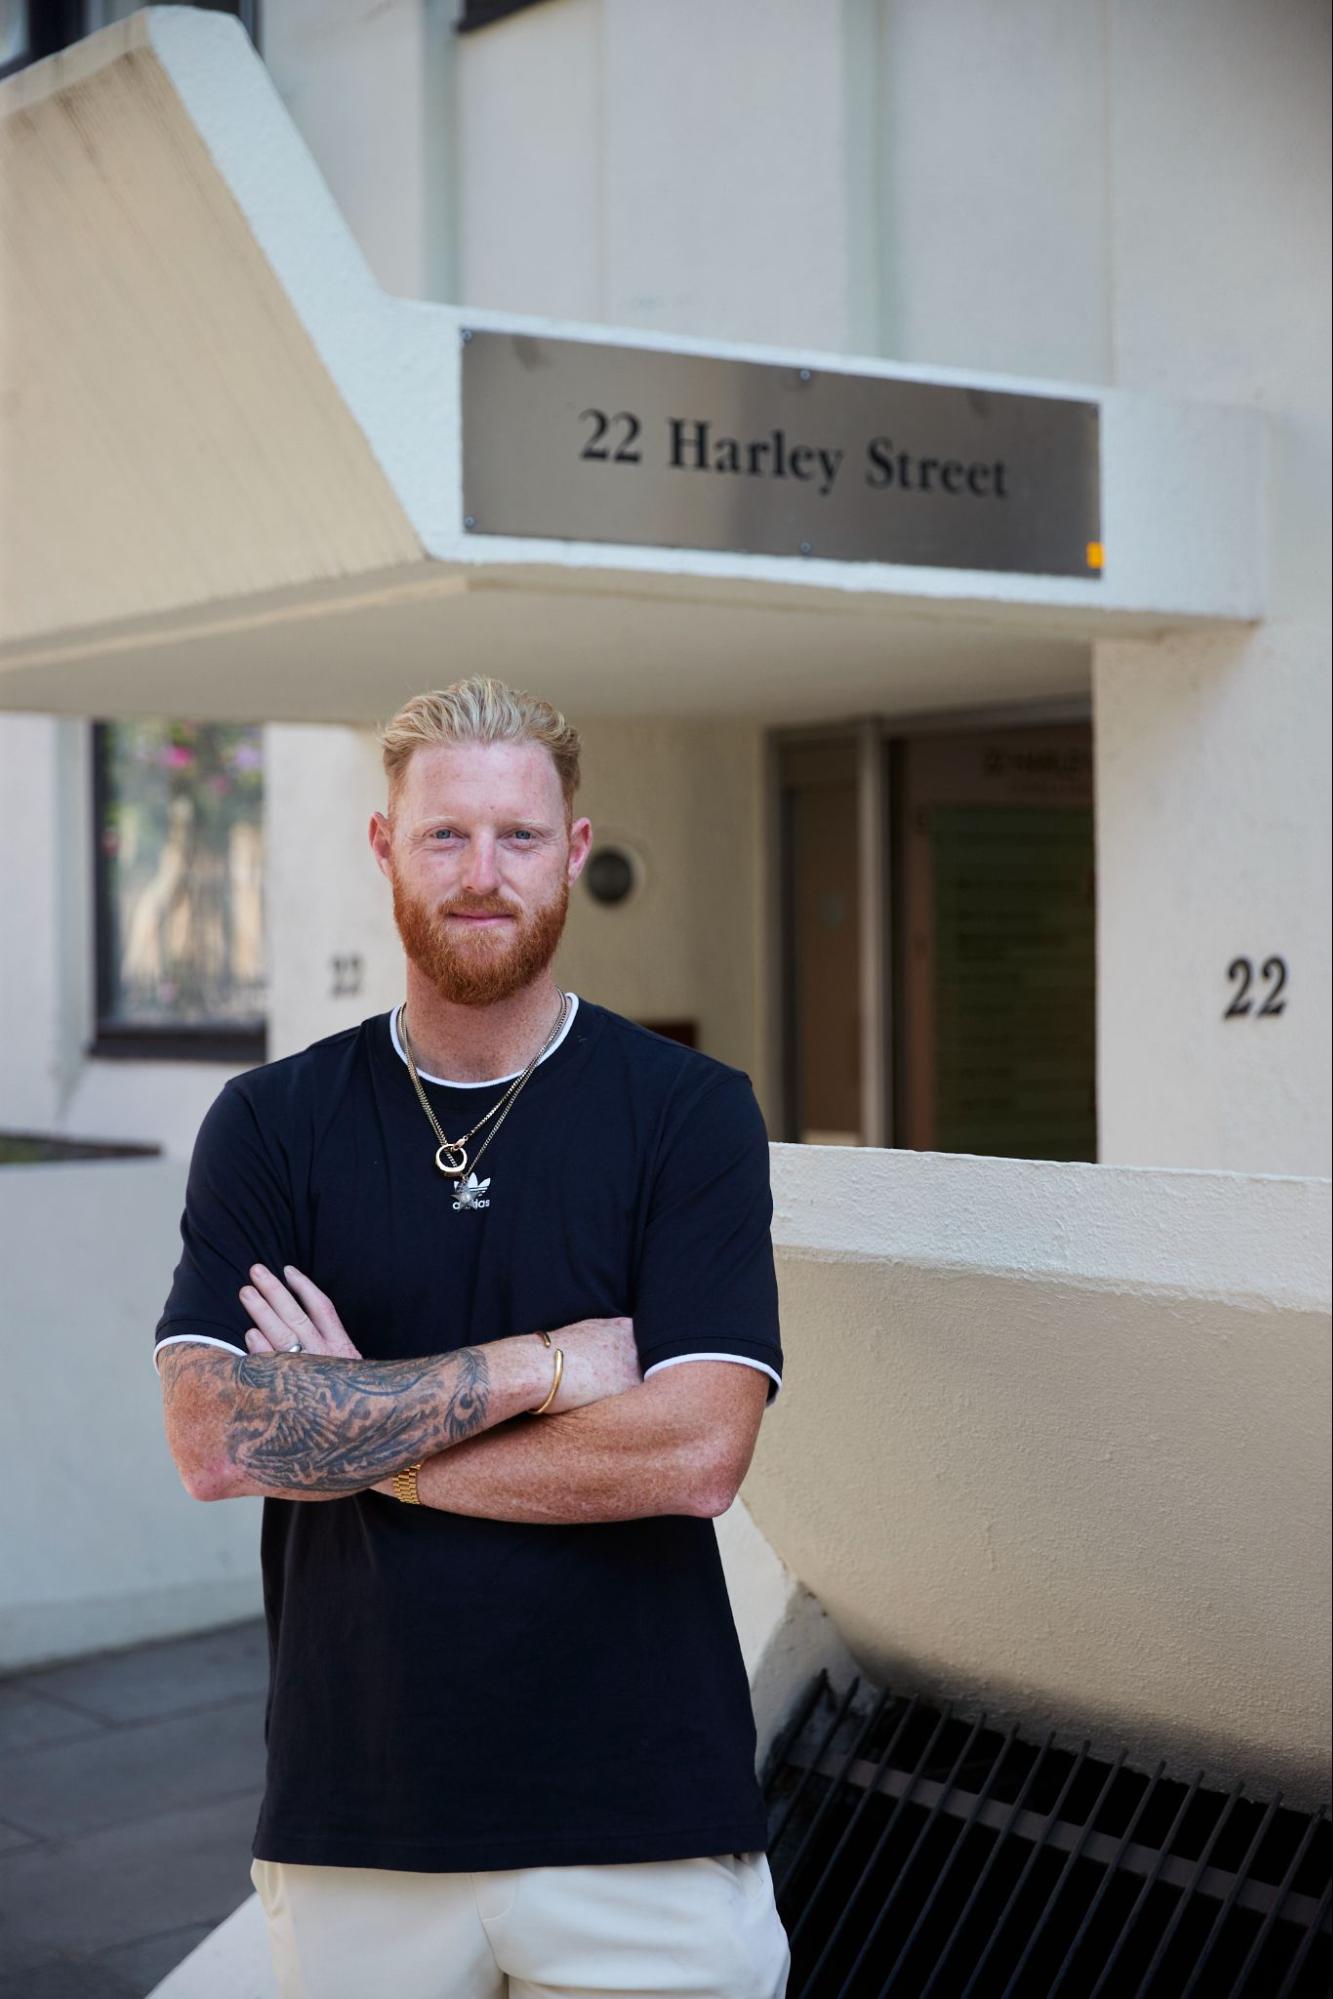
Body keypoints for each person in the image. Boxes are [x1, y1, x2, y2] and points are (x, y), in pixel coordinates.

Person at [154, 676, 791, 1999]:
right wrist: (538, 1368)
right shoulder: (273, 1123)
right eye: (445, 835)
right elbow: (218, 1439)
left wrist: (351, 1434)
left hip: (645, 1830)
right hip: (360, 1820)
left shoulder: (687, 1113)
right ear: (387, 848)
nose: (481, 873)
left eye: (515, 836)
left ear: (572, 849)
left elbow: (690, 1456)